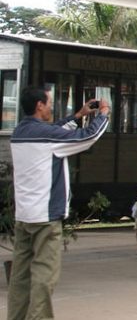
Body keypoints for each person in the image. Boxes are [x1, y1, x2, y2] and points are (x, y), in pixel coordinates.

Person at [8, 87, 109, 320]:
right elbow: (88, 137)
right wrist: (103, 114)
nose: (52, 106)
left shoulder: (20, 131)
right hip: (46, 218)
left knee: (21, 277)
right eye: (50, 102)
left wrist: (78, 115)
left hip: (24, 216)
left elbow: (53, 131)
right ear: (39, 106)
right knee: (45, 276)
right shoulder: (47, 136)